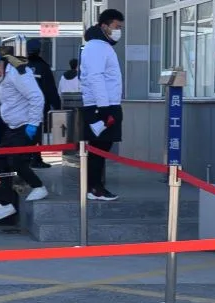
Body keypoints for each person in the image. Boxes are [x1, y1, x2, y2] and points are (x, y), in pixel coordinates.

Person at [0, 49, 49, 223]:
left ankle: (39, 187)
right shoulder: (3, 76)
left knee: (17, 162)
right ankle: (5, 204)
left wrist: (33, 123)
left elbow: (36, 97)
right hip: (14, 127)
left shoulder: (18, 73)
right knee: (0, 163)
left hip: (26, 126)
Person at [80, 8, 125, 201]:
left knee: (101, 148)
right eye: (116, 27)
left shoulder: (102, 46)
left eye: (121, 27)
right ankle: (94, 188)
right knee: (99, 148)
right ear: (104, 26)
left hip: (106, 103)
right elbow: (96, 77)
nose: (118, 31)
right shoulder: (97, 46)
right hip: (102, 105)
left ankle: (94, 186)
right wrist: (104, 108)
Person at [25, 39, 61, 169]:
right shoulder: (44, 67)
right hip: (40, 106)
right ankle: (36, 158)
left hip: (23, 106)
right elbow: (50, 88)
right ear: (40, 50)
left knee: (26, 133)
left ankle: (29, 158)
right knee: (37, 132)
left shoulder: (23, 66)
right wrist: (57, 106)